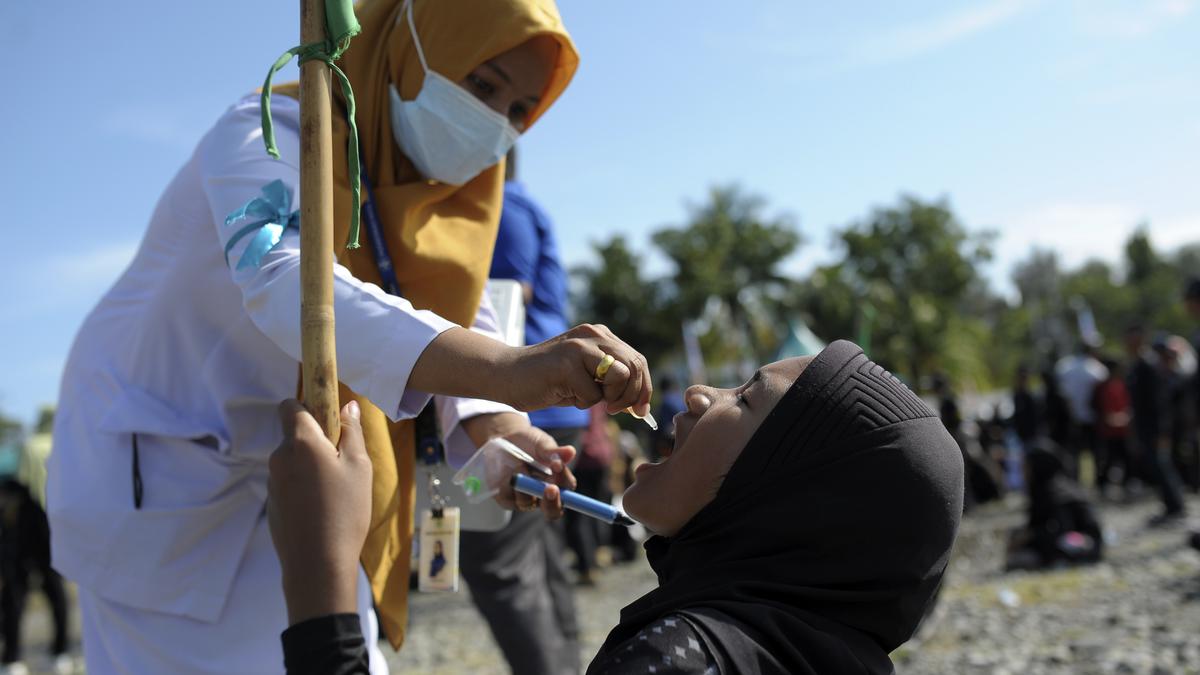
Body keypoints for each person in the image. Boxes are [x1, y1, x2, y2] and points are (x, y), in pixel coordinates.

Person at [45, 1, 654, 672]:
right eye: (482, 85)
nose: (492, 124)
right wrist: (508, 369)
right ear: (410, 49)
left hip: (316, 493)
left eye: (517, 110)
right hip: (168, 493)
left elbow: (458, 309)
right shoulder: (273, 132)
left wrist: (501, 427)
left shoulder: (449, 199)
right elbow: (286, 282)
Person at [270, 341, 964, 674]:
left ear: (793, 498)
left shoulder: (679, 662)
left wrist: (322, 582)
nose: (697, 393)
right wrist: (469, 481)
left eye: (745, 398)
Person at [457, 147, 586, 675]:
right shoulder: (530, 207)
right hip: (548, 410)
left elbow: (485, 293)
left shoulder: (495, 206)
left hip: (510, 412)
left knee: (504, 569)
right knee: (544, 563)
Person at [1007, 443, 1104, 570]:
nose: (1023, 472)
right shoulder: (1044, 489)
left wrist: (1030, 536)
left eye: (1025, 466)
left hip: (1082, 544)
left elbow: (1063, 530)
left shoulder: (1056, 493)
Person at [1125, 324, 1186, 524]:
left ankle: (1175, 506)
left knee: (1163, 467)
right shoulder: (1136, 366)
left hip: (1155, 427)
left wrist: (1162, 432)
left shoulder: (1149, 365)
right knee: (1157, 468)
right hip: (1144, 426)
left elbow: (1159, 402)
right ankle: (1170, 504)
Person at [1055, 343, 1108, 481]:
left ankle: (1075, 480)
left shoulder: (1065, 367)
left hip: (1072, 417)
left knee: (1075, 453)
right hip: (1092, 417)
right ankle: (1099, 481)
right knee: (1096, 452)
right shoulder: (1096, 368)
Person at [1092, 357, 1133, 496]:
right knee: (1107, 459)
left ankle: (1127, 484)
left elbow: (1127, 404)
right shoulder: (1102, 387)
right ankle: (1102, 485)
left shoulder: (1121, 384)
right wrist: (1114, 419)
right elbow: (1103, 410)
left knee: (1126, 457)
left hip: (1122, 429)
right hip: (1108, 430)